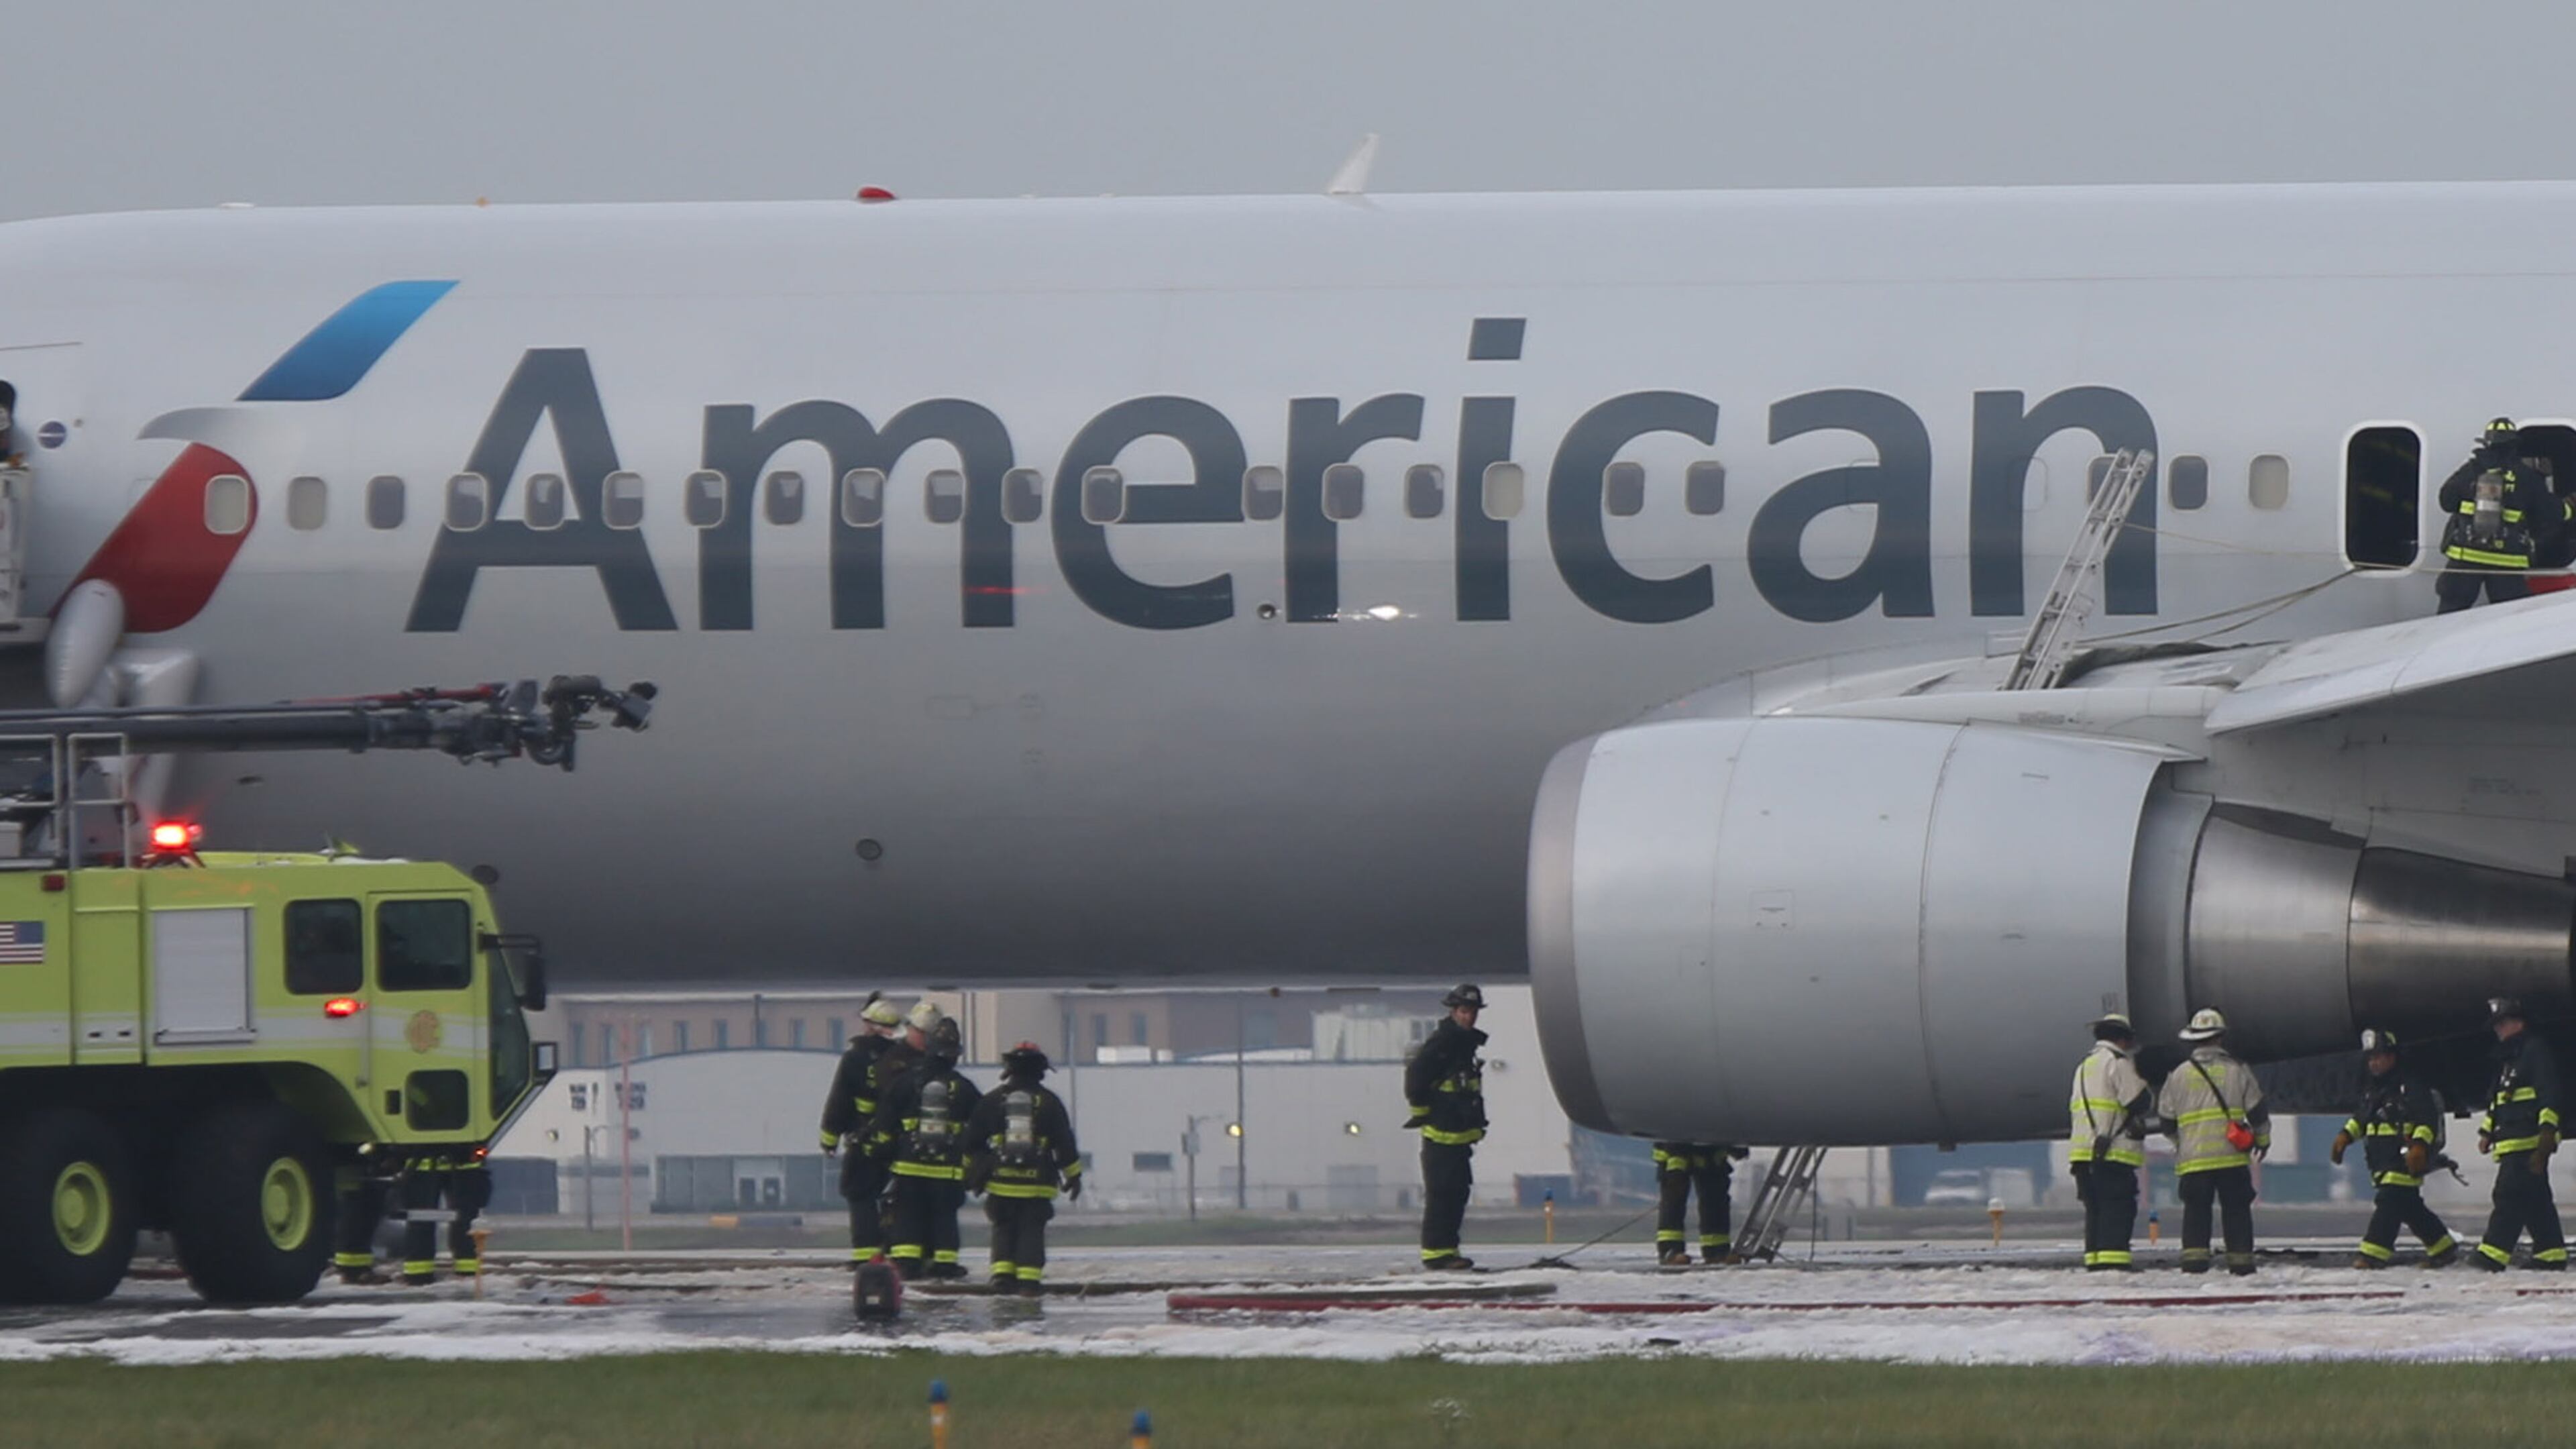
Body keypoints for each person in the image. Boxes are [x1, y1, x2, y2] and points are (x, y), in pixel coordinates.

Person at [2330, 1028, 2459, 1269]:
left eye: (2378, 1057)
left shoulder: (2410, 1086)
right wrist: (2345, 1137)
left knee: (2389, 1204)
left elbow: (2427, 1119)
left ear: (2392, 1057)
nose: (2374, 1063)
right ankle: (2443, 1247)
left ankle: (2372, 1255)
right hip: (2380, 1161)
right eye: (2370, 1058)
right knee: (2410, 1208)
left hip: (2403, 1160)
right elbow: (2362, 1119)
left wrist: (2419, 1147)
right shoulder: (2372, 1089)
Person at [2155, 1007, 2269, 1276]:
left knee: (2196, 1213)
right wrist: (2262, 1141)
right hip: (2231, 1158)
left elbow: (2166, 1120)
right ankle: (2241, 1265)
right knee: (2236, 1212)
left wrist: (2182, 1142)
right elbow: (2258, 1111)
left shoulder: (2178, 1075)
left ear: (2193, 1039)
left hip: (2193, 1161)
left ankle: (2194, 1265)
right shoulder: (2238, 1071)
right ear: (2220, 1038)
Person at [962, 1041, 1083, 1294]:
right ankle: (1029, 1282)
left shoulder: (992, 1101)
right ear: (1040, 1070)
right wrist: (1073, 1176)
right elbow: (1065, 1144)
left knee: (1003, 1227)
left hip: (1001, 1182)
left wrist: (973, 1173)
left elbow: (971, 1142)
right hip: (1037, 1184)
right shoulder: (1050, 1103)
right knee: (1031, 1230)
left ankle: (1002, 1278)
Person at [867, 1015, 981, 1280]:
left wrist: (880, 1152)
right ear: (955, 1055)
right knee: (944, 1217)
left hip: (910, 1167)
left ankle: (908, 1264)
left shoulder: (905, 1082)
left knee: (908, 1215)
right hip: (947, 1170)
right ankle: (945, 1264)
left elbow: (884, 1123)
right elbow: (980, 1126)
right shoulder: (964, 1088)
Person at [2436, 418, 2567, 612]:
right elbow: (2550, 513)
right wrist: (2571, 507)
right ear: (2515, 445)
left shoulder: (2471, 470)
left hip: (2466, 557)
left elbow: (2446, 501)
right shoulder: (2526, 476)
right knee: (2511, 618)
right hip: (2506, 561)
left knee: (2450, 611)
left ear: (2487, 443)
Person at [2475, 996, 2567, 1271]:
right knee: (2535, 1198)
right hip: (2510, 1141)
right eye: (2496, 1025)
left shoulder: (2534, 1051)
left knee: (2508, 1195)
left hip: (2528, 1142)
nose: (2498, 1030)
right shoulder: (2509, 1057)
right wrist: (2486, 1132)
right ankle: (2551, 1254)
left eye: (2503, 1023)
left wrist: (2547, 1133)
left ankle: (2492, 1253)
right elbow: (2500, 1100)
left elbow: (2549, 1093)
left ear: (2519, 1022)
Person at [1405, 983, 1488, 1271]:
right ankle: (1436, 1254)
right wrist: (1425, 1114)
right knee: (1442, 1195)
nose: (1470, 1018)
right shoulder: (1443, 1044)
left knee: (1456, 1194)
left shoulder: (1464, 1045)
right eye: (1465, 1012)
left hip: (1459, 1137)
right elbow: (1416, 1079)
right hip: (1442, 1137)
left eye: (1473, 1012)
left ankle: (1448, 1251)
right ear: (1454, 1011)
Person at [820, 993, 907, 1266]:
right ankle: (898, 1253)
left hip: (862, 1142)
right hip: (900, 1144)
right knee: (898, 1197)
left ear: (870, 1025)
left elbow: (840, 1100)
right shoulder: (905, 1059)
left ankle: (866, 1258)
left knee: (860, 1194)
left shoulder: (855, 1059)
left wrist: (829, 1139)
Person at [2068, 1012, 2152, 1273]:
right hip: (2113, 1153)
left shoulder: (2084, 1067)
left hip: (2083, 1154)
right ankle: (2114, 1266)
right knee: (2117, 1210)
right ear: (2122, 1040)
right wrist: (2145, 1075)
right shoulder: (2118, 1063)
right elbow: (2139, 1102)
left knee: (2095, 1211)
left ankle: (2095, 1263)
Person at [1651, 1142, 1748, 1265]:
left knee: (1715, 1199)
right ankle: (1670, 1251)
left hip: (1710, 1150)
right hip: (1675, 1149)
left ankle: (1717, 1251)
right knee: (1674, 1198)